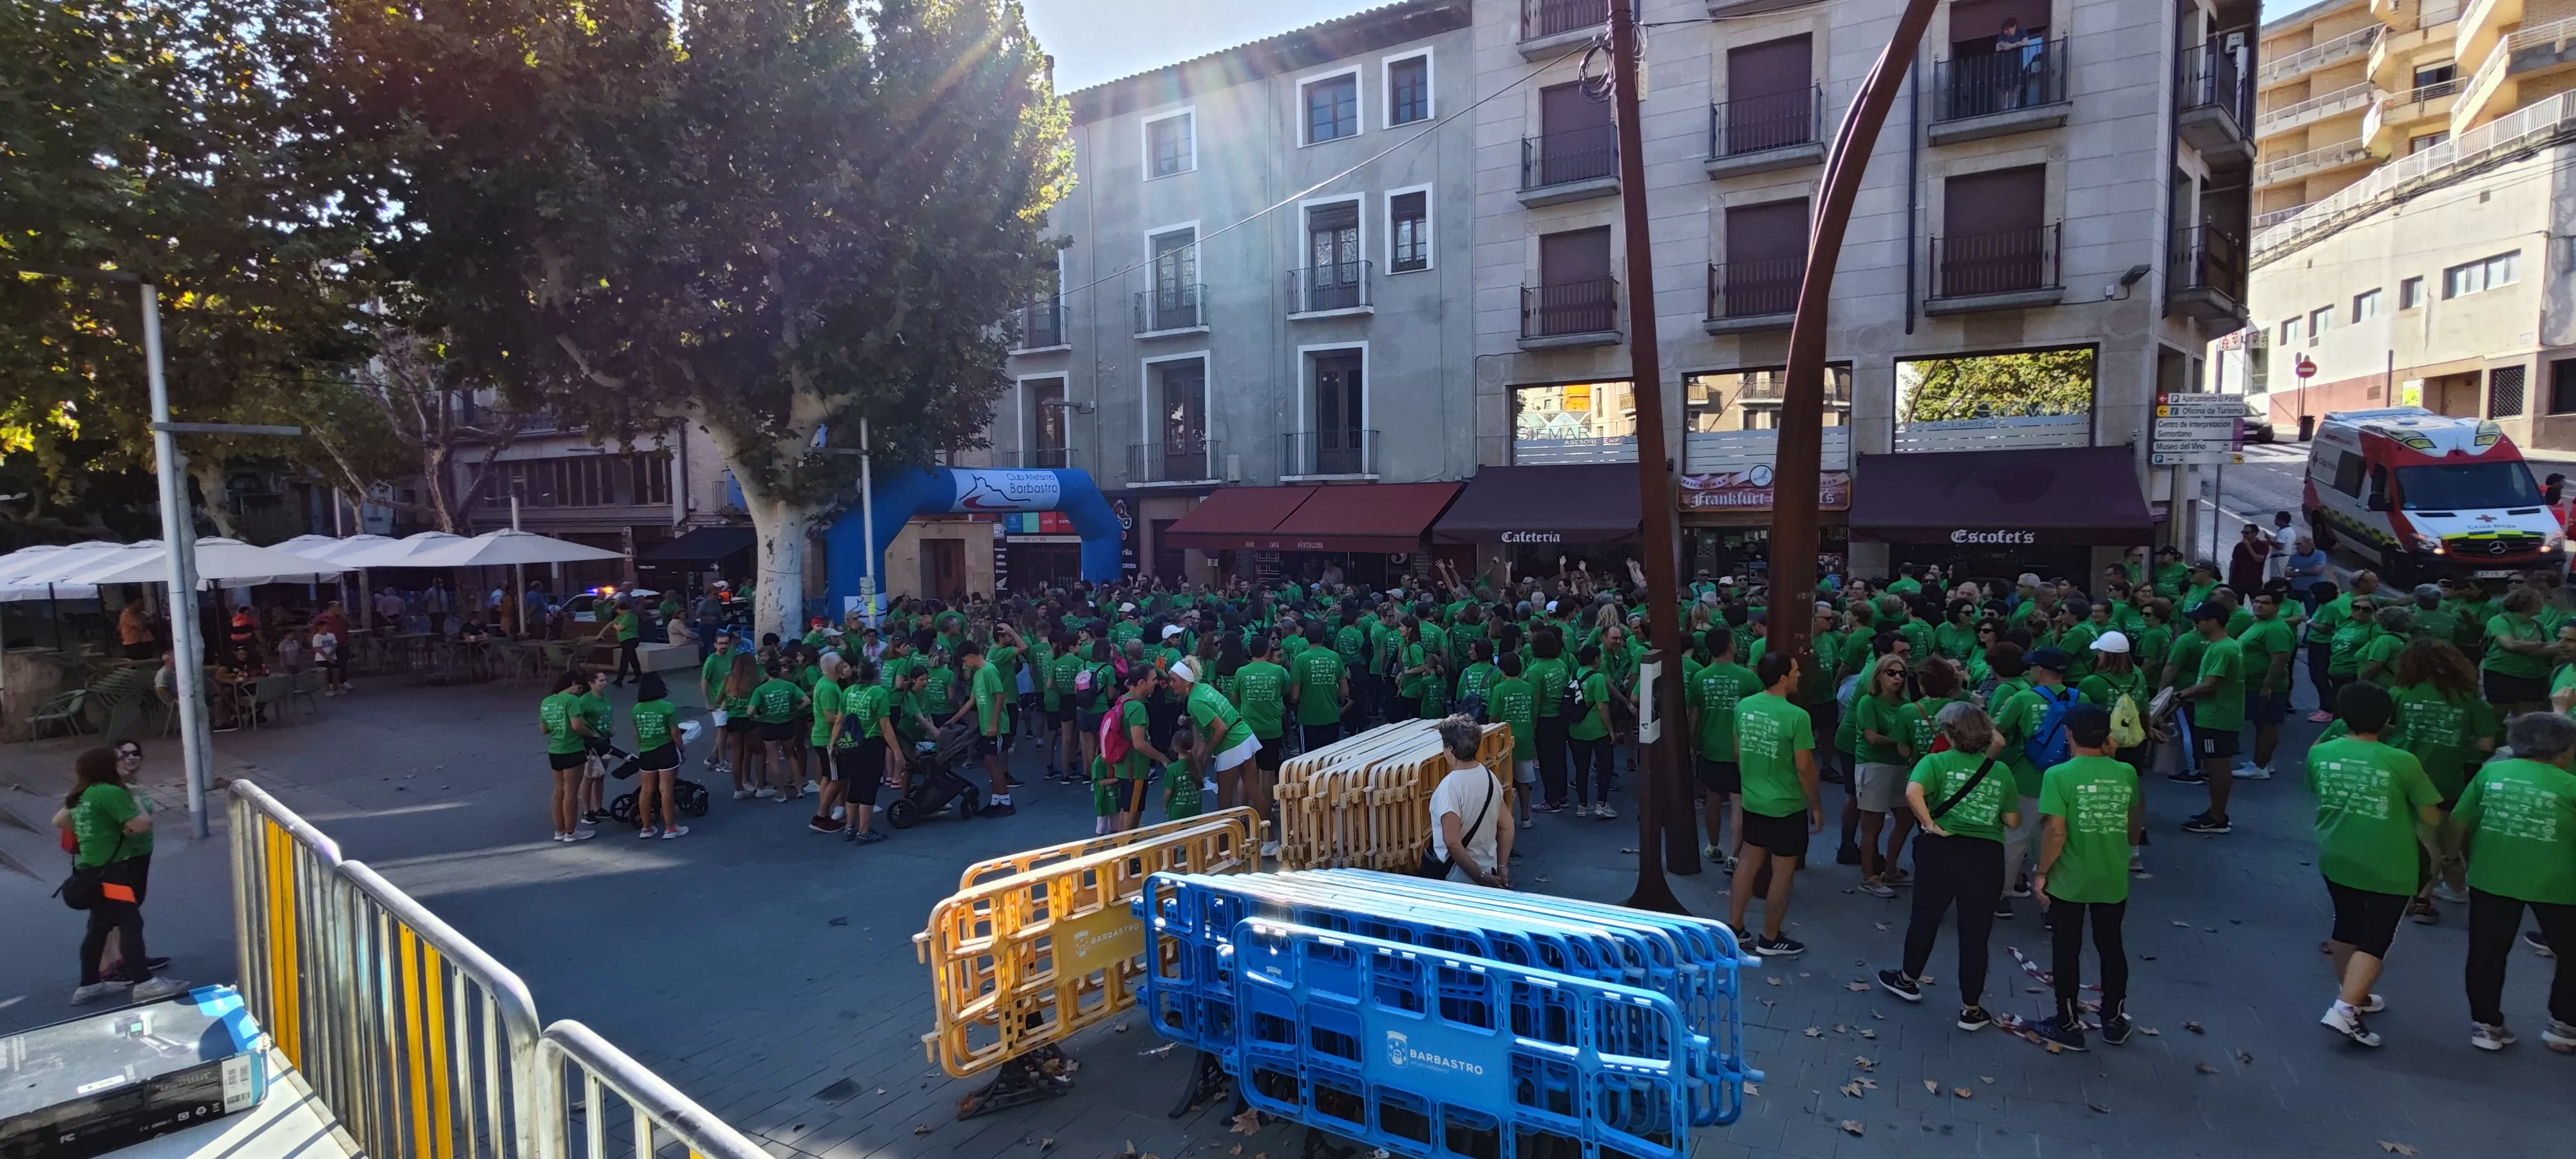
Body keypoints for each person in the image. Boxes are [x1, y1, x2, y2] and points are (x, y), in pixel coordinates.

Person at [2306, 683, 2443, 1048]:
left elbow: (2316, 790)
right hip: (2391, 864)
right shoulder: (2403, 761)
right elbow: (2431, 816)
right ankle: (2346, 1009)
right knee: (2377, 937)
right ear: (2387, 720)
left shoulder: (2321, 753)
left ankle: (2353, 993)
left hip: (2336, 854)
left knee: (2346, 924)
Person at [1876, 701, 2017, 1032]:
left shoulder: (1934, 762)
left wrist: (1929, 824)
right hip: (1985, 855)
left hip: (1940, 849)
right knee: (1975, 933)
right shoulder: (2000, 771)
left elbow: (1914, 792)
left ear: (1948, 733)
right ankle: (1971, 1008)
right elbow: (2012, 819)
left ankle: (1908, 978)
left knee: (1925, 917)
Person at [2454, 711, 2576, 1051]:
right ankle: (2564, 1025)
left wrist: (2458, 860)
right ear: (2564, 751)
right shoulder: (2570, 785)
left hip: (2491, 877)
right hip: (2560, 885)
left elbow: (2459, 823)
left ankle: (2486, 1026)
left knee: (2486, 953)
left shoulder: (2490, 773)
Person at [2029, 704, 2142, 1051]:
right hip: (2111, 875)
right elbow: (2132, 820)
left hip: (2070, 878)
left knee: (2067, 949)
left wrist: (2042, 872)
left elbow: (2056, 832)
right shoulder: (2126, 772)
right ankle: (2114, 1018)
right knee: (2111, 946)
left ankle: (2067, 1023)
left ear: (2069, 733)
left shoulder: (2059, 776)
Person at [59, 747, 189, 1003]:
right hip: (112, 873)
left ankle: (89, 984)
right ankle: (144, 983)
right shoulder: (109, 792)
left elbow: (64, 822)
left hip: (90, 870)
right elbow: (141, 824)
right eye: (119, 758)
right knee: (131, 923)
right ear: (106, 766)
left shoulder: (82, 794)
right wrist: (136, 797)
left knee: (98, 928)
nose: (125, 761)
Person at [1728, 652, 1821, 957]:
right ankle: (1770, 938)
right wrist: (1816, 806)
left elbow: (1739, 752)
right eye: (1795, 670)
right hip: (1786, 806)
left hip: (1753, 800)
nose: (1799, 675)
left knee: (1748, 862)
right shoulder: (1798, 717)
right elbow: (1805, 767)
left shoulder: (1744, 706)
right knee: (1783, 871)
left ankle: (1735, 928)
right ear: (1782, 678)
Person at [1991, 648, 2078, 915]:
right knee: (2056, 840)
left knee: (2015, 838)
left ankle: (2002, 896)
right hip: (2067, 780)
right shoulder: (2080, 697)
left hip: (2028, 778)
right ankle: (2051, 903)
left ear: (2040, 671)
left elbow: (1998, 730)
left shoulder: (2023, 698)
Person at [1688, 629, 1757, 867]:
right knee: (1739, 804)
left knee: (1712, 799)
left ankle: (1713, 845)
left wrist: (1693, 745)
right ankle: (1735, 856)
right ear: (1730, 647)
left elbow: (1693, 719)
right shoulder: (1748, 678)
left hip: (1710, 747)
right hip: (1742, 749)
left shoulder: (1700, 677)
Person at [2175, 603, 2246, 834]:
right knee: (2215, 764)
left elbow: (2210, 684)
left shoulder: (2222, 649)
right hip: (2217, 714)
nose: (2196, 625)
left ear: (2213, 621)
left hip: (2218, 716)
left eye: (2200, 621)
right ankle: (2215, 812)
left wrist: (2181, 694)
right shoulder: (2223, 646)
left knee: (2217, 766)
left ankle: (2217, 817)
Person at [1850, 653, 1914, 899]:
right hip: (1873, 764)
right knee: (1872, 824)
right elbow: (1871, 737)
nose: (1897, 678)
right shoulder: (1869, 701)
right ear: (1879, 675)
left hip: (1900, 766)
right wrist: (1900, 742)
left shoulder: (1905, 703)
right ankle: (1870, 876)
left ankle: (1890, 870)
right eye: (1891, 673)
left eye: (1902, 674)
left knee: (1906, 817)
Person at [1427, 715, 1512, 887]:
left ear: (1450, 749)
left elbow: (1452, 842)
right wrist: (1502, 868)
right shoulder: (1489, 777)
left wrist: (1481, 877)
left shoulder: (1449, 787)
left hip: (1459, 877)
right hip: (1490, 867)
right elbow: (1507, 826)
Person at [2236, 589, 2298, 780]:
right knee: (2260, 723)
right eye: (2256, 601)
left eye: (2265, 603)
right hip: (2252, 683)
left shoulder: (2276, 629)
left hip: (2265, 686)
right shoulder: (2261, 624)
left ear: (2277, 607)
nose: (2258, 605)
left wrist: (2267, 686)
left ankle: (2260, 766)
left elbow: (2279, 660)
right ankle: (2262, 761)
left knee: (2268, 724)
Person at [960, 641, 1017, 816]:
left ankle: (1006, 801)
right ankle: (996, 800)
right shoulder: (979, 674)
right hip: (987, 726)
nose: (965, 665)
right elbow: (972, 700)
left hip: (997, 727)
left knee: (993, 764)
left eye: (965, 661)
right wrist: (953, 719)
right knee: (989, 764)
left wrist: (993, 723)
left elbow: (1000, 696)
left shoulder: (989, 670)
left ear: (971, 655)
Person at [539, 671, 598, 842]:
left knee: (558, 791)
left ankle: (560, 830)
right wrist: (592, 735)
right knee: (571, 792)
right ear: (573, 683)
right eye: (580, 689)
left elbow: (544, 729)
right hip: (572, 748)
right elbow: (577, 725)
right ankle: (571, 831)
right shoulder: (571, 700)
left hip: (555, 749)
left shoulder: (547, 701)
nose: (580, 693)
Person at [629, 675, 687, 840]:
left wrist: (642, 747)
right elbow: (675, 732)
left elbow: (636, 733)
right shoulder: (667, 707)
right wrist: (681, 748)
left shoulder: (636, 709)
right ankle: (671, 827)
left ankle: (646, 827)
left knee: (646, 790)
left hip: (646, 751)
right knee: (666, 789)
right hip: (666, 750)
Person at [1490, 654, 1539, 830]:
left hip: (1503, 741)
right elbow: (1534, 714)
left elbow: (1493, 715)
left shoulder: (1499, 689)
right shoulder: (1529, 688)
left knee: (1504, 782)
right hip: (1525, 739)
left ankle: (1505, 819)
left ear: (1502, 670)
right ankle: (1526, 817)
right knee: (1524, 781)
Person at [598, 599, 643, 687]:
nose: (617, 612)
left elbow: (620, 628)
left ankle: (620, 679)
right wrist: (601, 633)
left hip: (631, 639)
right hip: (625, 640)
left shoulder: (630, 616)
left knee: (625, 659)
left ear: (621, 609)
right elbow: (611, 623)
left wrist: (615, 625)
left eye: (617, 610)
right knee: (633, 659)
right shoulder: (622, 616)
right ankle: (639, 676)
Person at [1163, 726, 1204, 820]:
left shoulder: (1172, 769)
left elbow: (1168, 792)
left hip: (1177, 813)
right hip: (1195, 811)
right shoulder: (1197, 765)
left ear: (1174, 747)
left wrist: (1164, 805)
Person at [2282, 536, 2330, 613]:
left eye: (2299, 544)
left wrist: (2297, 571)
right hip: (2296, 589)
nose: (2296, 547)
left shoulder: (2320, 555)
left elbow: (2317, 570)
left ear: (2308, 544)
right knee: (2287, 612)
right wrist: (2307, 572)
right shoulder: (2294, 557)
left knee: (2312, 614)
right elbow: (2287, 573)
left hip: (2312, 591)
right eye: (2295, 544)